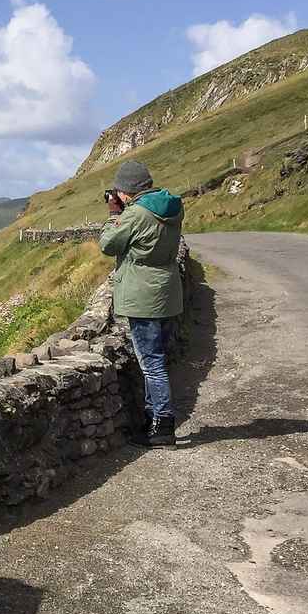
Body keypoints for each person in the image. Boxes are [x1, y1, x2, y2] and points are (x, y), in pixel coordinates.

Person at [100, 160, 185, 449]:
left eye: (118, 192)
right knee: (156, 359)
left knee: (152, 364)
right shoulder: (172, 206)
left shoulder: (135, 214)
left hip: (143, 297)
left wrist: (114, 215)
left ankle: (163, 425)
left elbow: (108, 244)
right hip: (167, 292)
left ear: (125, 191)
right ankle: (153, 420)